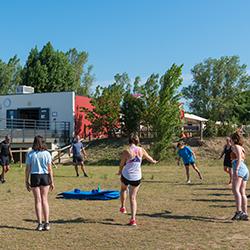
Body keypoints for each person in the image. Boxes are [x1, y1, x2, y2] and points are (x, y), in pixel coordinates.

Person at [118, 133, 157, 226]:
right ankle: (133, 219)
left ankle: (123, 207)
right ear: (137, 141)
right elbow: (149, 158)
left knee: (123, 189)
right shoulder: (141, 150)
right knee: (133, 198)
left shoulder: (126, 151)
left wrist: (119, 171)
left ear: (129, 141)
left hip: (126, 175)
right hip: (137, 177)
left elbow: (121, 164)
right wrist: (154, 161)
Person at [25, 135, 55, 231]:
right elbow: (50, 169)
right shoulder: (47, 153)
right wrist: (52, 181)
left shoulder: (30, 154)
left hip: (34, 176)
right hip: (45, 176)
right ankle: (47, 223)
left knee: (38, 201)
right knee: (44, 200)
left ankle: (40, 224)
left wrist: (26, 180)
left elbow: (27, 169)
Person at [231, 132, 249, 221]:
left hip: (240, 168)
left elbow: (239, 158)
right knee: (242, 191)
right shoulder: (241, 147)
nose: (230, 141)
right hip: (244, 169)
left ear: (234, 140)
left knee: (235, 190)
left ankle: (239, 212)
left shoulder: (236, 147)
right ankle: (245, 213)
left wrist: (236, 170)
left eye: (231, 139)